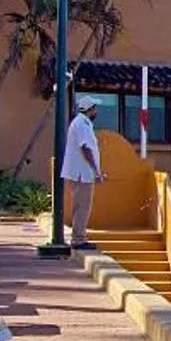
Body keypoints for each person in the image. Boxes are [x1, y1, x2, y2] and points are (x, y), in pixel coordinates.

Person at [62, 99, 103, 248]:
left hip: (81, 173)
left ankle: (79, 237)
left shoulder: (82, 123)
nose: (96, 112)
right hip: (82, 174)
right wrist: (96, 170)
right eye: (95, 108)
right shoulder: (82, 125)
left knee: (81, 205)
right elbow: (86, 148)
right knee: (82, 206)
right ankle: (78, 239)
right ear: (90, 109)